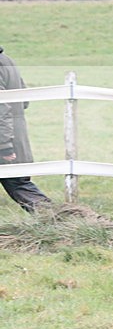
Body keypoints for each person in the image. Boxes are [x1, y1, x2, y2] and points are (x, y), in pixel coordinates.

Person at [0, 46, 52, 213]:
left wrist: (4, 145)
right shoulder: (7, 60)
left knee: (19, 185)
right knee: (20, 184)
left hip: (5, 137)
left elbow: (1, 108)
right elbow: (24, 100)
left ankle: (56, 217)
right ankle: (58, 217)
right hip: (13, 133)